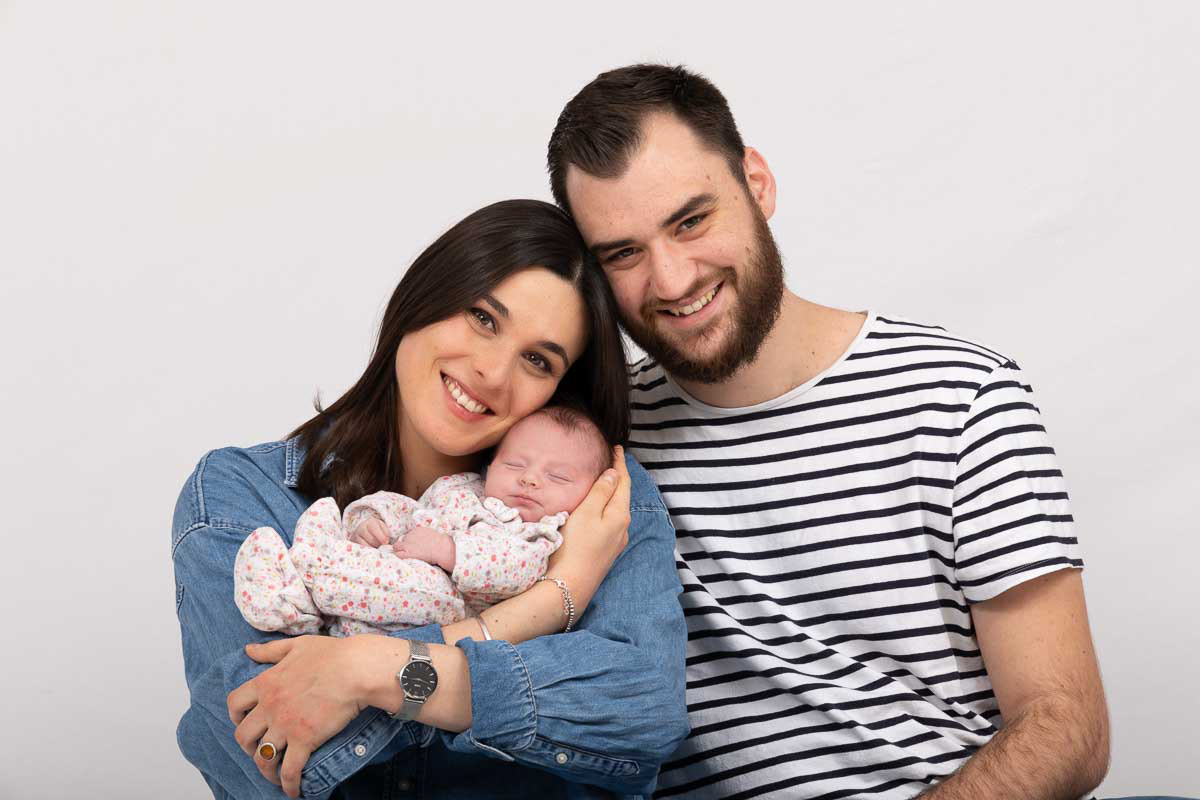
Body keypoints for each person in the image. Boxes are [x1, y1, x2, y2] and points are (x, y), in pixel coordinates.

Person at [547, 65, 1111, 799]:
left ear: (757, 184)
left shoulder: (960, 396)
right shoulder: (596, 448)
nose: (673, 279)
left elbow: (1066, 726)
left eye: (691, 222)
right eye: (623, 253)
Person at [171, 199, 689, 799]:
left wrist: (367, 669)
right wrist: (549, 602)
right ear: (423, 298)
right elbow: (275, 755)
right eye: (483, 318)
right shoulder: (241, 494)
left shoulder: (591, 497)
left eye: (537, 360)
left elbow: (643, 715)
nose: (493, 372)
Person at [233, 406, 613, 637]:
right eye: (514, 464)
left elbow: (514, 572)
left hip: (437, 606)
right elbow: (412, 510)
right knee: (325, 513)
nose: (529, 479)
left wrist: (449, 550)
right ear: (492, 464)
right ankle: (292, 596)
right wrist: (372, 519)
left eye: (557, 477)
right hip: (383, 568)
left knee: (420, 590)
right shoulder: (462, 489)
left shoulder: (538, 536)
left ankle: (311, 580)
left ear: (590, 492)